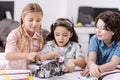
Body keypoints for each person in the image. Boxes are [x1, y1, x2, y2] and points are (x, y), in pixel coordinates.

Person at [5, 3, 53, 70]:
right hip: (14, 73)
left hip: (30, 74)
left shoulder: (39, 38)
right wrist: (27, 55)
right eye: (31, 20)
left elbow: (38, 59)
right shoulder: (15, 34)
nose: (35, 24)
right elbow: (8, 56)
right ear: (23, 18)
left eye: (38, 20)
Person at [81, 11, 120, 77]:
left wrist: (95, 69)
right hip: (99, 72)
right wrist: (92, 65)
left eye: (103, 28)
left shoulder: (118, 43)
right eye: (97, 27)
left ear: (113, 31)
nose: (98, 31)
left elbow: (113, 64)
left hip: (113, 73)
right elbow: (91, 60)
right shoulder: (94, 39)